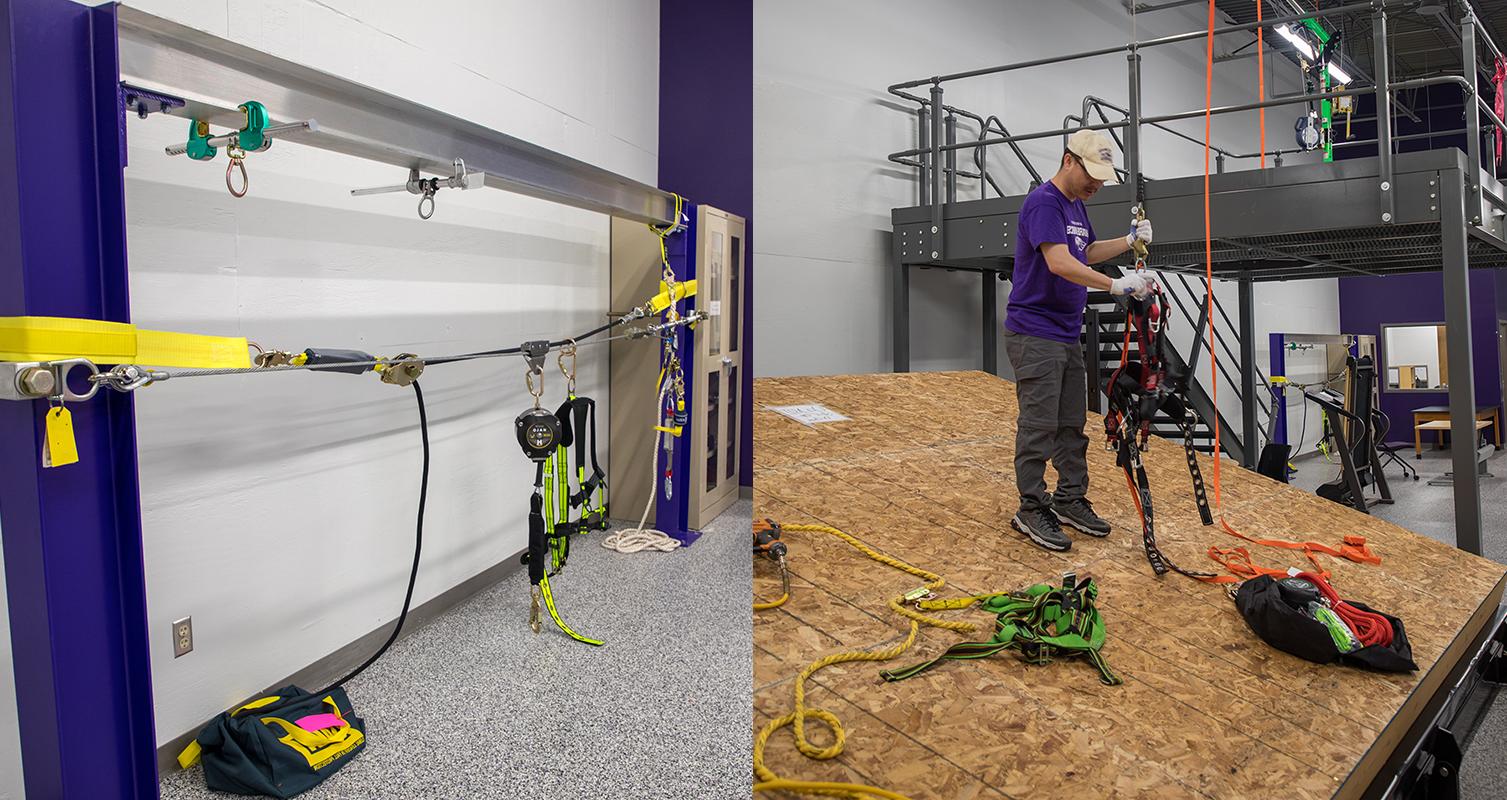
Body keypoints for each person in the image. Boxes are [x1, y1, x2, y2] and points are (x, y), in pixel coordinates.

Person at [1003, 128, 1155, 552]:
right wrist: (1115, 286)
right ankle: (1030, 507)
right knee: (1039, 426)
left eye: (1102, 179)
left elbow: (1082, 253)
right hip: (1035, 332)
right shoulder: (1044, 202)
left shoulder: (1074, 206)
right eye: (1091, 175)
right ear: (1068, 160)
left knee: (1072, 424)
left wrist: (1128, 242)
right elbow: (1058, 262)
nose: (1096, 185)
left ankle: (1070, 498)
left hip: (1065, 333)